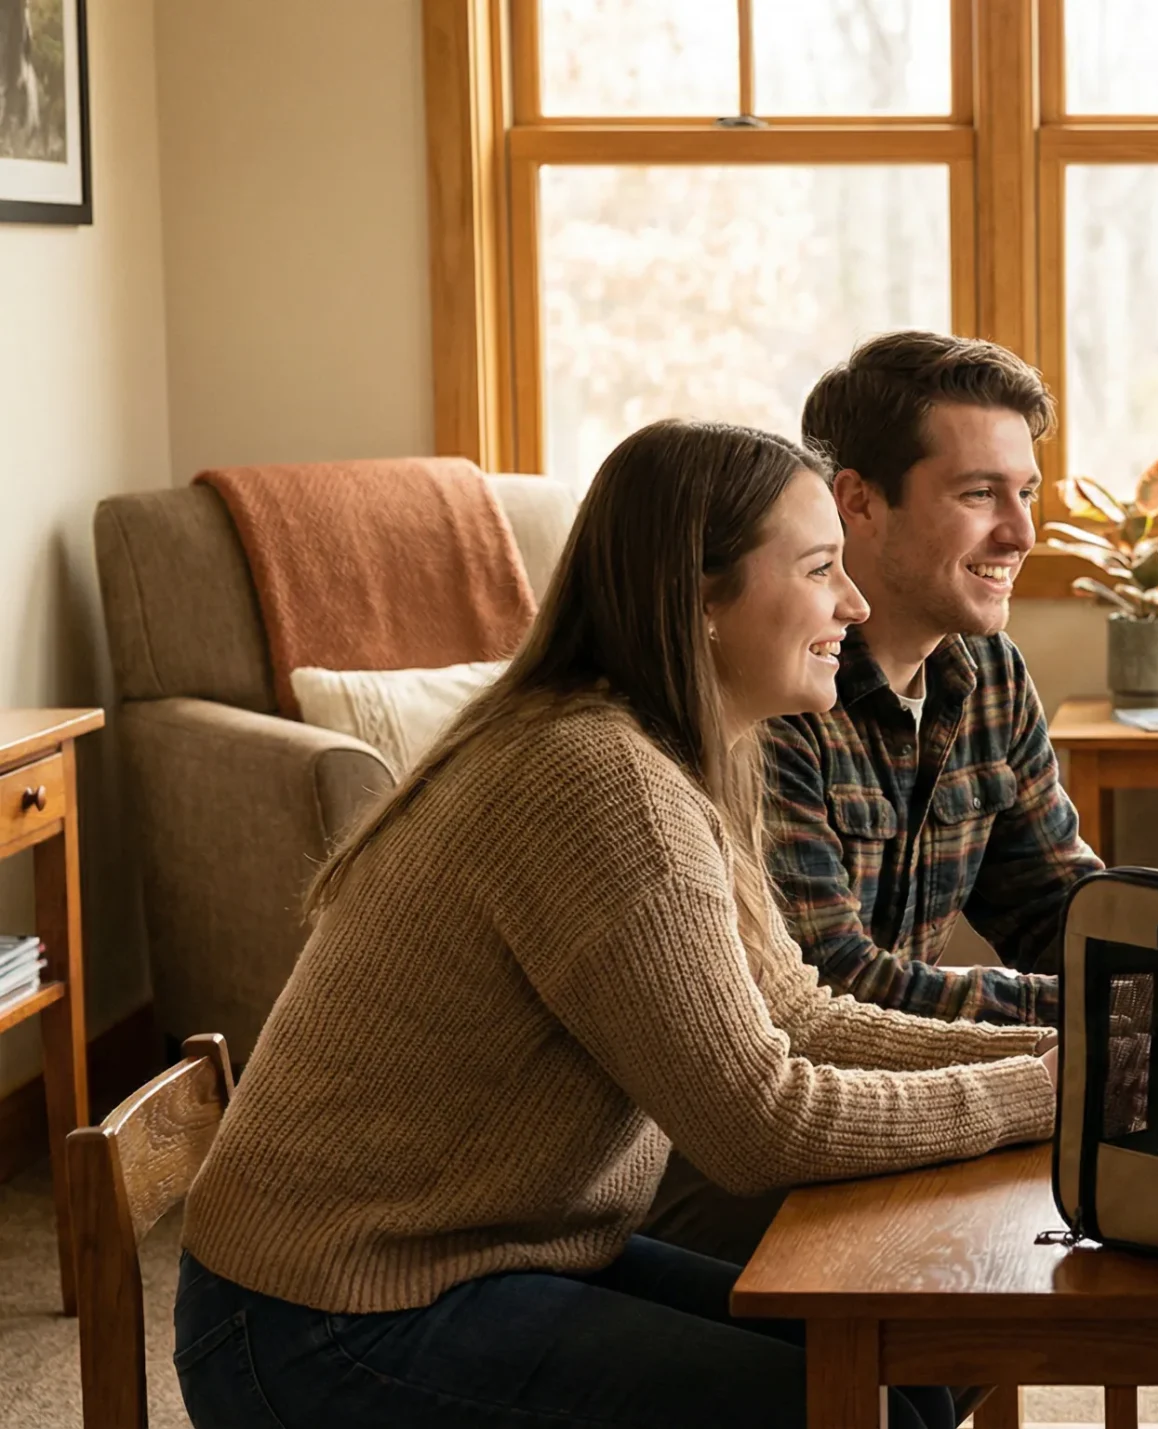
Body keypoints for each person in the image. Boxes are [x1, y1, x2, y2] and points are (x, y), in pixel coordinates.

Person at [172, 419, 1056, 1429]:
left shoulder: (673, 753)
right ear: (701, 599)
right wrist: (1038, 1092)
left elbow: (800, 1017)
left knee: (919, 1360)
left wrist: (1053, 1057)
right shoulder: (599, 782)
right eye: (819, 570)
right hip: (326, 1321)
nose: (852, 604)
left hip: (486, 1258)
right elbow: (760, 1120)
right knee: (863, 1413)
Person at [643, 331, 1106, 1265]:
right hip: (739, 1158)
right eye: (979, 494)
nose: (1020, 532)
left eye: (1028, 493)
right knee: (1007, 1257)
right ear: (858, 500)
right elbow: (827, 985)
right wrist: (1107, 1027)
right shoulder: (765, 689)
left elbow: (1062, 907)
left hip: (897, 1104)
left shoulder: (991, 675)